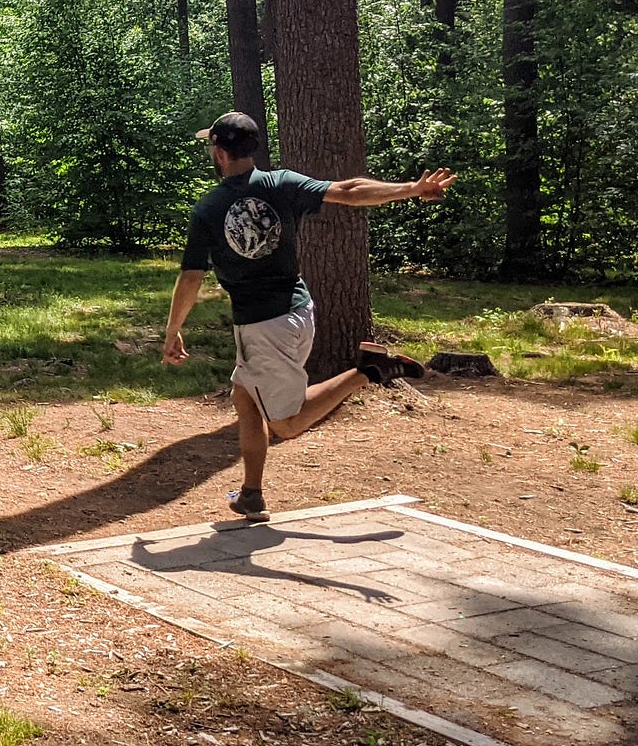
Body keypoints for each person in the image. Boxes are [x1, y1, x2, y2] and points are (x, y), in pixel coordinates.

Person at [163, 111, 457, 521]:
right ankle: (250, 493)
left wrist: (173, 331)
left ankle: (366, 371)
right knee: (245, 397)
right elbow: (350, 191)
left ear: (219, 152)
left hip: (263, 326)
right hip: (297, 311)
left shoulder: (210, 209)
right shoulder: (282, 182)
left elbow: (192, 277)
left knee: (286, 424)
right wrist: (412, 188)